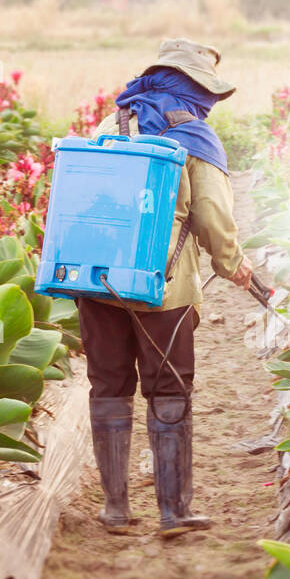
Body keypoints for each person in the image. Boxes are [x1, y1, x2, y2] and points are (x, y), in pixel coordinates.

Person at [80, 38, 254, 539]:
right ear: (195, 89)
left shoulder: (108, 125)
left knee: (108, 387)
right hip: (164, 291)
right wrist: (233, 265)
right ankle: (173, 512)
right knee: (169, 392)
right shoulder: (194, 140)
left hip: (98, 283)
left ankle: (115, 509)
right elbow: (214, 218)